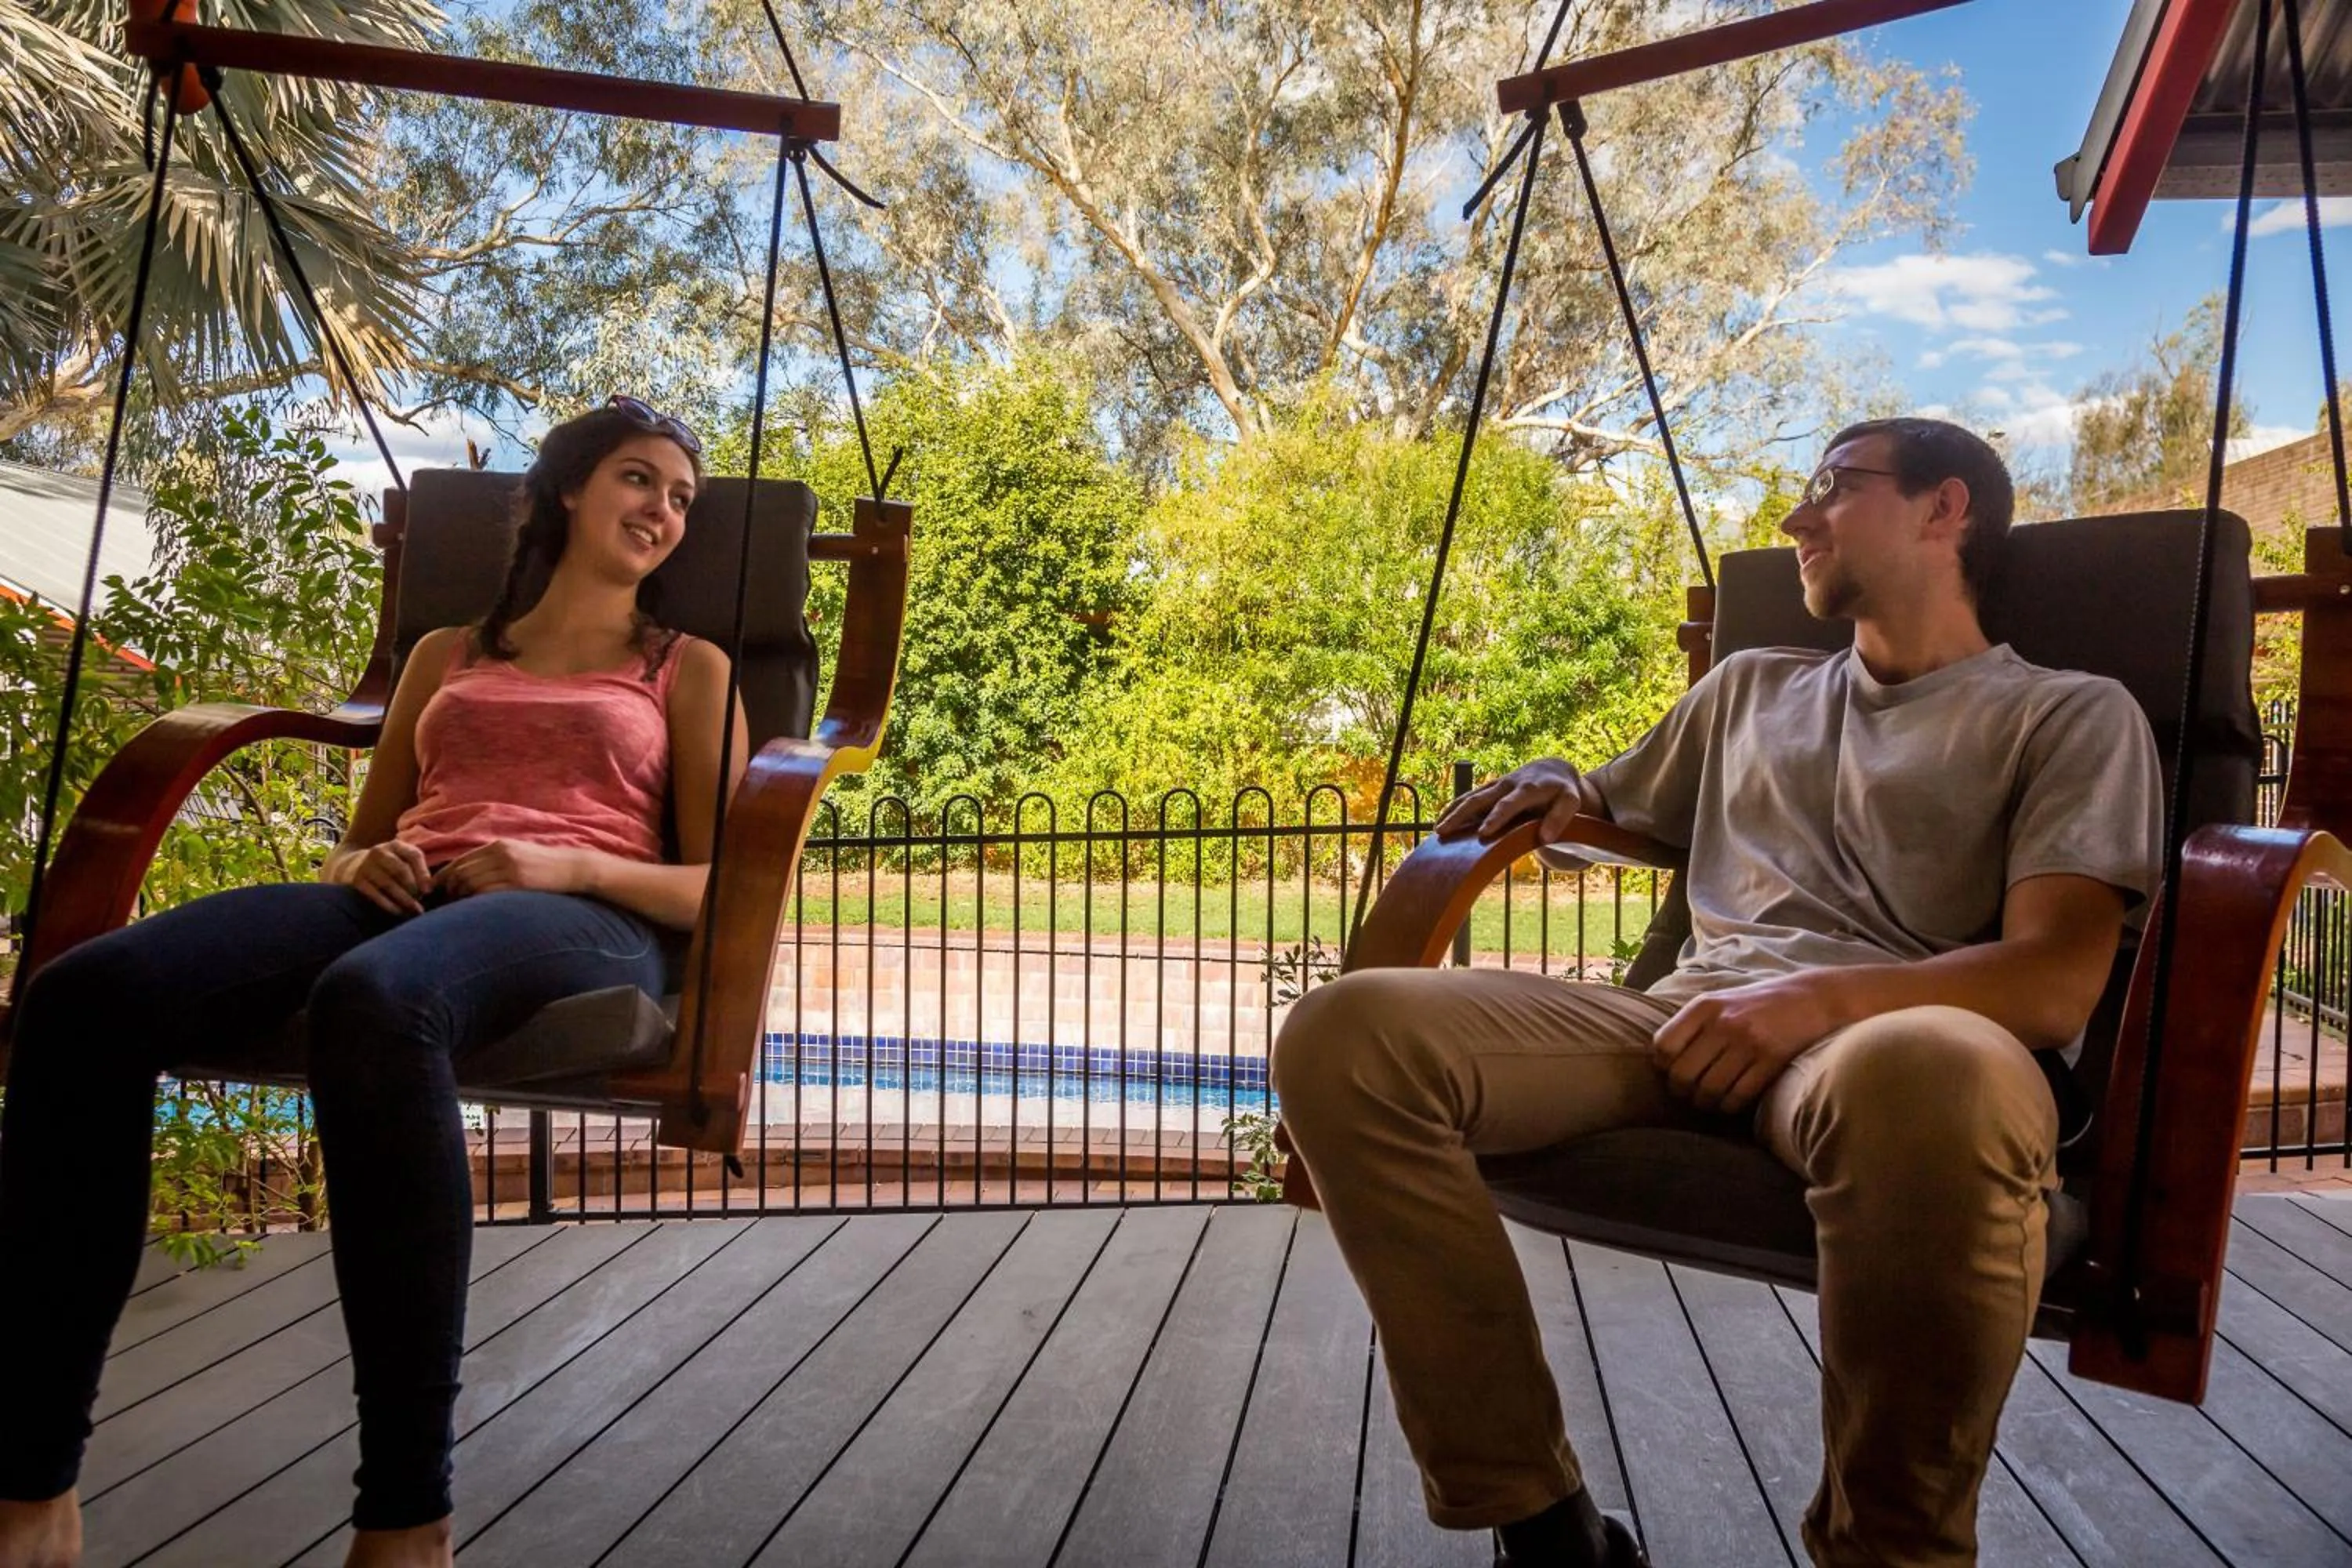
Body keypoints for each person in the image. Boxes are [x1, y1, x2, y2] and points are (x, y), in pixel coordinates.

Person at [1272, 418, 2163, 1568]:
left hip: (1889, 1055)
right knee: (1348, 1032)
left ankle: (1885, 1553)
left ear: (1949, 510)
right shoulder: (1749, 690)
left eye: (1834, 488)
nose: (1797, 518)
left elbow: (2052, 978)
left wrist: (1811, 1007)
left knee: (1934, 1069)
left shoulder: (2068, 714)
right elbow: (1601, 808)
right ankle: (1546, 1529)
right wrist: (1556, 780)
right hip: (1680, 1024)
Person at [0, 397, 747, 1568]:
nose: (664, 511)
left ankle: (406, 1517)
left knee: (375, 1002)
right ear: (567, 489)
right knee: (80, 998)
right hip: (410, 895)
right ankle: (31, 1487)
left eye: (683, 499)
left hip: (587, 918)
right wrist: (369, 858)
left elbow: (722, 888)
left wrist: (564, 861)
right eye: (640, 480)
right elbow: (359, 838)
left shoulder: (684, 669)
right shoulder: (446, 655)